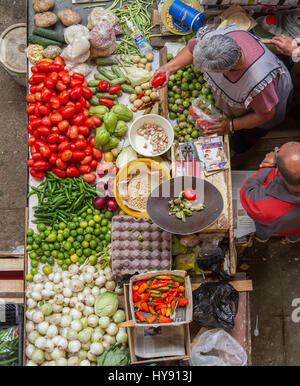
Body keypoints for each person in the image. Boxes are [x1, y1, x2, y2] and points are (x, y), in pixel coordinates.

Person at [152, 25, 294, 153]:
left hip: (265, 105)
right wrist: (169, 68)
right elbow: (191, 50)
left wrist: (231, 125)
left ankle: (239, 149)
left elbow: (265, 114)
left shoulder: (258, 83)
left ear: (225, 71)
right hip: (242, 99)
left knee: (246, 138)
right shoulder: (218, 42)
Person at [240, 142, 300, 243]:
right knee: (295, 232)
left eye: (277, 152)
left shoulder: (262, 204)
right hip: (296, 226)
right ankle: (294, 238)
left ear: (278, 172)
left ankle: (262, 238)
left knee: (263, 228)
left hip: (271, 224)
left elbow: (247, 190)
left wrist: (266, 168)